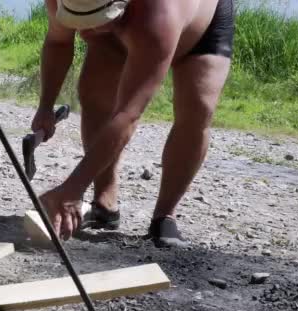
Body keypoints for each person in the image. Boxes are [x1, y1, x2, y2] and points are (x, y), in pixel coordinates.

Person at [31, 0, 235, 248]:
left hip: (197, 23)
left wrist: (73, 188)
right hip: (125, 23)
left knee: (197, 110)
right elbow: (58, 41)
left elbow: (127, 115)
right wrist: (45, 106)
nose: (83, 32)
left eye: (92, 21)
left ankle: (164, 216)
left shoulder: (159, 15)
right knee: (94, 93)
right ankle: (104, 204)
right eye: (78, 20)